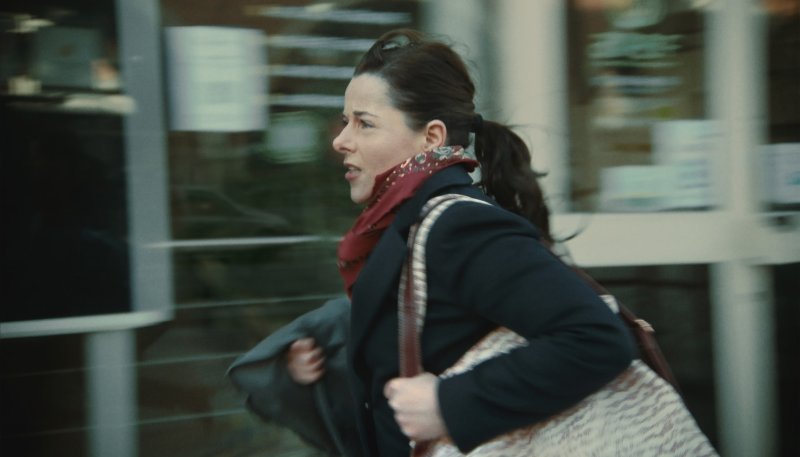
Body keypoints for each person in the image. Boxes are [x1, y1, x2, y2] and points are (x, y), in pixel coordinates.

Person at [287, 28, 635, 457]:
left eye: (365, 123)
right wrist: (325, 356)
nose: (340, 140)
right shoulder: (402, 224)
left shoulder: (459, 227)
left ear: (431, 138)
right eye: (346, 122)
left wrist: (448, 404)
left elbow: (596, 338)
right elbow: (429, 340)